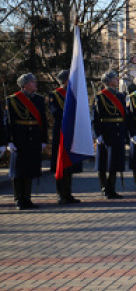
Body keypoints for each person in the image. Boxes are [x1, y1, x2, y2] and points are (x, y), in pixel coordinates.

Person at [5, 73, 47, 209]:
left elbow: (43, 121)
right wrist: (8, 141)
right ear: (25, 84)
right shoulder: (12, 100)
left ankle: (27, 199)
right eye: (33, 82)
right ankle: (18, 199)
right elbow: (7, 122)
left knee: (29, 169)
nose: (36, 84)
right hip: (19, 139)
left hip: (33, 138)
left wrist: (43, 139)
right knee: (18, 171)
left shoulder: (39, 100)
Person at [93, 71, 128, 199]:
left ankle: (112, 188)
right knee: (103, 162)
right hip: (106, 132)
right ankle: (104, 188)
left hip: (118, 132)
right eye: (114, 78)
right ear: (108, 81)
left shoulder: (120, 96)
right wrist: (98, 134)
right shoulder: (100, 97)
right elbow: (95, 118)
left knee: (115, 162)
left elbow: (124, 116)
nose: (117, 79)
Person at [49, 70, 81, 204]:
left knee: (70, 164)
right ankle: (61, 194)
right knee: (60, 163)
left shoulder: (74, 94)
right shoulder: (54, 95)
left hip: (72, 132)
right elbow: (55, 112)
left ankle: (68, 193)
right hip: (61, 132)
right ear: (65, 80)